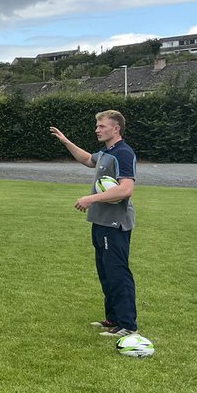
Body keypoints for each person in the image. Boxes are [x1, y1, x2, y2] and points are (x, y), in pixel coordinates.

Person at [50, 111, 140, 338]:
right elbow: (87, 159)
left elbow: (126, 189)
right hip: (100, 223)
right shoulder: (106, 153)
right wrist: (65, 141)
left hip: (114, 224)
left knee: (118, 273)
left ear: (116, 128)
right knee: (105, 272)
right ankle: (113, 319)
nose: (97, 129)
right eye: (97, 126)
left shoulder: (123, 153)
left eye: (101, 126)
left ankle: (127, 325)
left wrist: (90, 199)